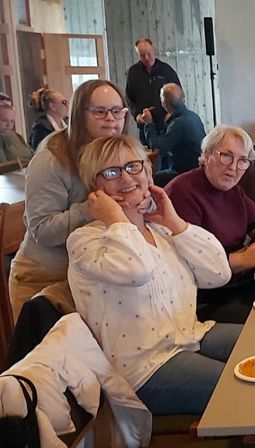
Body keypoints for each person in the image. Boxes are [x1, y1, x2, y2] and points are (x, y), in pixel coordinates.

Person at [68, 135, 255, 448]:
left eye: (133, 166)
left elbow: (217, 271)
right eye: (111, 172)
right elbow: (136, 268)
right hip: (145, 368)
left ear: (147, 173)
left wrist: (175, 222)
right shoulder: (86, 242)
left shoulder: (160, 230)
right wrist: (116, 218)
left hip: (190, 335)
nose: (126, 178)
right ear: (94, 188)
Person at [8, 80, 134, 322]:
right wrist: (91, 209)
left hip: (94, 276)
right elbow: (42, 230)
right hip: (44, 278)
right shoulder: (50, 158)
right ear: (78, 114)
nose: (111, 118)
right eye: (99, 111)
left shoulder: (117, 151)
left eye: (117, 111)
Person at [166, 125, 255, 324]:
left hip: (239, 285)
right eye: (226, 156)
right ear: (207, 154)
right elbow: (191, 268)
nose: (234, 167)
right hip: (206, 301)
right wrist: (241, 259)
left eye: (242, 161)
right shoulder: (182, 192)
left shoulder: (233, 191)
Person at [137, 83, 205, 187]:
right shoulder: (193, 116)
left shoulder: (178, 124)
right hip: (198, 169)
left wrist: (148, 123)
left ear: (164, 104)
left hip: (185, 172)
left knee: (151, 179)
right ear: (183, 98)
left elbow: (158, 148)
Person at [125, 38, 181, 139]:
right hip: (145, 124)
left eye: (149, 54)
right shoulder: (133, 72)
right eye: (142, 55)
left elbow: (178, 94)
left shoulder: (166, 70)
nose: (146, 58)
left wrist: (172, 113)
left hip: (166, 123)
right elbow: (129, 98)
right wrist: (137, 115)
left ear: (154, 50)